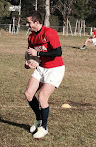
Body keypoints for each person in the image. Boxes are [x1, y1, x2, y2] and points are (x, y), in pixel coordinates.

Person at [24, 11, 65, 139]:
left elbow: (58, 52)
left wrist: (38, 54)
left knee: (42, 97)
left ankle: (44, 127)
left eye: (29, 22)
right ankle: (39, 119)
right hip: (41, 67)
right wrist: (28, 63)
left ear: (36, 22)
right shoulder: (31, 37)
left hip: (55, 68)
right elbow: (32, 55)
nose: (27, 24)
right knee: (29, 94)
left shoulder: (49, 32)